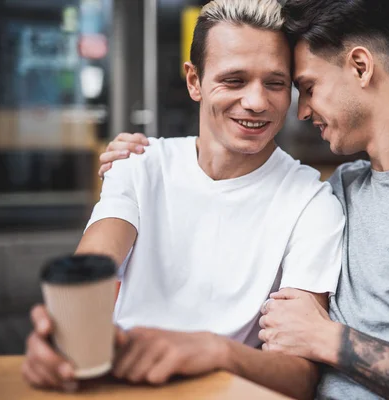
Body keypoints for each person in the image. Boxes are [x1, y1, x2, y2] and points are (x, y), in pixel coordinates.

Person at [100, 0, 389, 399]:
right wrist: (142, 161)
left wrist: (331, 340)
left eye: (308, 87)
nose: (300, 110)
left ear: (360, 66)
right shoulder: (342, 190)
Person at [22, 1, 345, 398]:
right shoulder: (139, 164)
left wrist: (214, 351)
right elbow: (94, 265)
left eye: (275, 83)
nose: (257, 102)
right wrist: (60, 329)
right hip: (121, 385)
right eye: (234, 80)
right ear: (194, 81)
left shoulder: (312, 203)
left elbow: (300, 377)